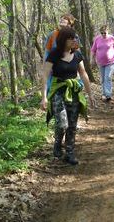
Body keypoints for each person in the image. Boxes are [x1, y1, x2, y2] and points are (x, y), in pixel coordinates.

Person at [40, 27, 95, 165]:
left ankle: (69, 153)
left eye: (75, 38)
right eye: (71, 38)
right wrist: (44, 97)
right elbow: (45, 74)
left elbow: (83, 74)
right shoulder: (54, 54)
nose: (74, 40)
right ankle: (57, 144)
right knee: (62, 123)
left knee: (72, 124)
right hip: (58, 90)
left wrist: (90, 94)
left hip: (74, 92)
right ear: (64, 40)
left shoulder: (77, 54)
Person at [90, 25, 114, 102]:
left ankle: (108, 95)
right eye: (102, 33)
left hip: (110, 62)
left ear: (108, 31)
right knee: (103, 78)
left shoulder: (112, 39)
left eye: (105, 33)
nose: (103, 34)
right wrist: (92, 59)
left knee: (108, 77)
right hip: (100, 62)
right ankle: (103, 94)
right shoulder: (97, 39)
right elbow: (93, 50)